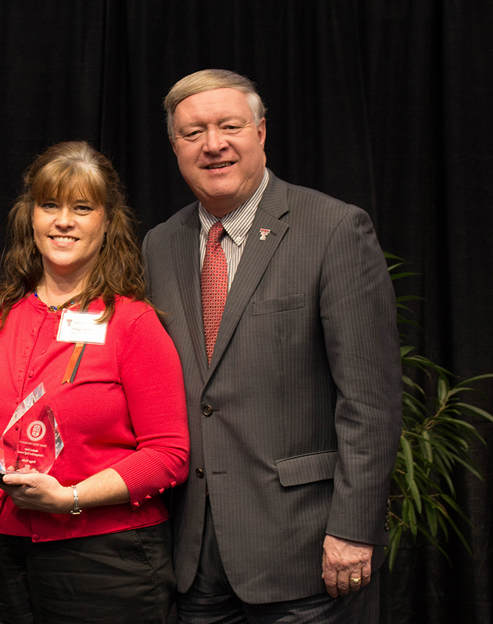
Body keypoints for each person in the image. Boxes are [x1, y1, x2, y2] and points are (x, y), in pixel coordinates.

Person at [143, 69, 403, 623]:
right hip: (192, 555)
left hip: (307, 551)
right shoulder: (160, 245)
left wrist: (353, 529)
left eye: (229, 126)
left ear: (261, 132)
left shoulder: (333, 229)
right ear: (174, 147)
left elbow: (370, 400)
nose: (213, 144)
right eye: (193, 133)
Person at [0, 141, 190, 624]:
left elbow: (169, 455)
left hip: (105, 562)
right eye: (50, 205)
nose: (63, 221)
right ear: (29, 217)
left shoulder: (133, 323)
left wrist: (70, 498)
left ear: (108, 221)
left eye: (82, 208)